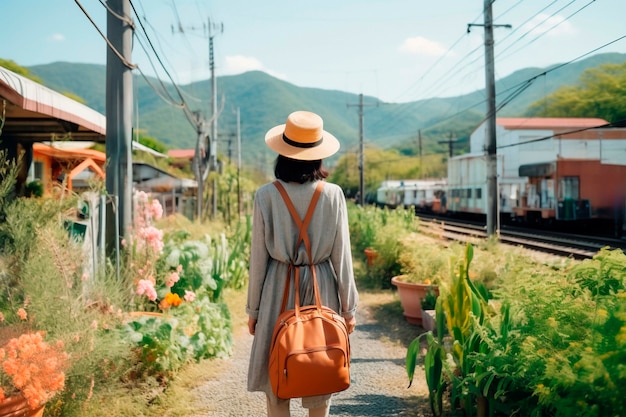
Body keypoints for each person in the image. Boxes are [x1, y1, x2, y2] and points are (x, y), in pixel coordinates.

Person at [246, 111, 359, 417]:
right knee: (320, 368)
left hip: (277, 289)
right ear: (317, 157)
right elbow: (342, 256)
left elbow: (258, 258)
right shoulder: (333, 195)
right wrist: (348, 309)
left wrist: (254, 310)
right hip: (322, 286)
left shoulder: (266, 196)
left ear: (282, 153)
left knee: (277, 374)